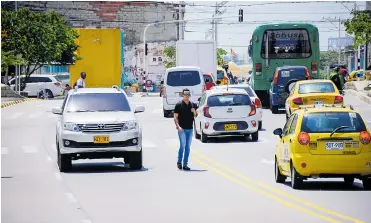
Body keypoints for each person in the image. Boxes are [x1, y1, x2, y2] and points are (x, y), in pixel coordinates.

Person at [173, 88, 198, 171]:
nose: (186, 96)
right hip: (182, 129)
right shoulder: (178, 105)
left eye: (188, 94)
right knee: (182, 146)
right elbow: (175, 117)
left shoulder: (193, 105)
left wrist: (194, 112)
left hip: (190, 129)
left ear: (189, 95)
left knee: (188, 147)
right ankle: (179, 162)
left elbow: (196, 115)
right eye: (185, 94)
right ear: (182, 95)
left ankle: (185, 164)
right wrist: (178, 126)